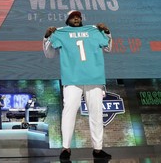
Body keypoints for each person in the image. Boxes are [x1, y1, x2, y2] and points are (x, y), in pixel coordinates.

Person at [43, 10, 112, 160]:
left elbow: (108, 48)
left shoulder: (95, 31)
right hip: (72, 78)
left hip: (94, 78)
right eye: (73, 17)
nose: (76, 19)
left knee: (96, 113)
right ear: (67, 20)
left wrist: (106, 32)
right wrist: (47, 37)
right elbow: (49, 55)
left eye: (78, 17)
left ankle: (98, 149)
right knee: (68, 112)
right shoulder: (60, 33)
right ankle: (65, 148)